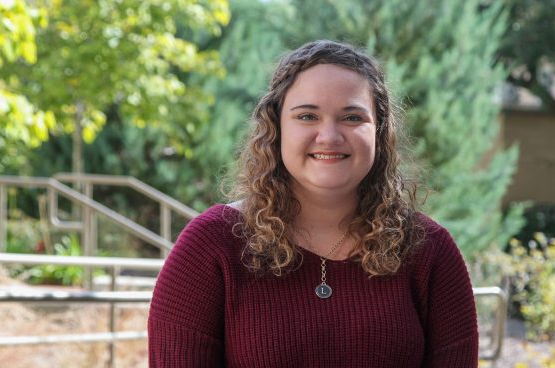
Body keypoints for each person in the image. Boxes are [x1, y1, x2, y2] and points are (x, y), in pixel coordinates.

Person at [148, 40, 478, 367]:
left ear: (379, 132)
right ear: (276, 129)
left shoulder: (429, 250)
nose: (329, 136)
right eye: (307, 116)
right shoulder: (211, 245)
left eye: (352, 117)